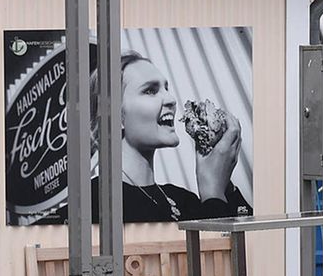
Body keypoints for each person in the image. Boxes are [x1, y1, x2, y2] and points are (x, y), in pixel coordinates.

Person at [41, 50, 251, 224]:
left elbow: (249, 252)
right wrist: (213, 192)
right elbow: (208, 266)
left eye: (166, 88)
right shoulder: (90, 208)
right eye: (150, 91)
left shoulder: (182, 200)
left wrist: (223, 185)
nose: (170, 99)